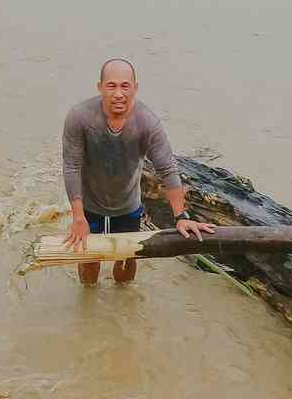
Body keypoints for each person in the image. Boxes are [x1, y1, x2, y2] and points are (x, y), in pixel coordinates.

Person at [62, 58, 215, 284]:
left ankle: (122, 301)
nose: (118, 94)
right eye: (111, 86)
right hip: (90, 205)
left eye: (125, 86)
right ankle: (89, 305)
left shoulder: (147, 123)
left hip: (128, 207)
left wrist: (181, 217)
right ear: (100, 87)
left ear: (135, 87)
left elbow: (168, 169)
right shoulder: (80, 118)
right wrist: (78, 217)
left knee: (126, 263)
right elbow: (71, 166)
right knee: (89, 263)